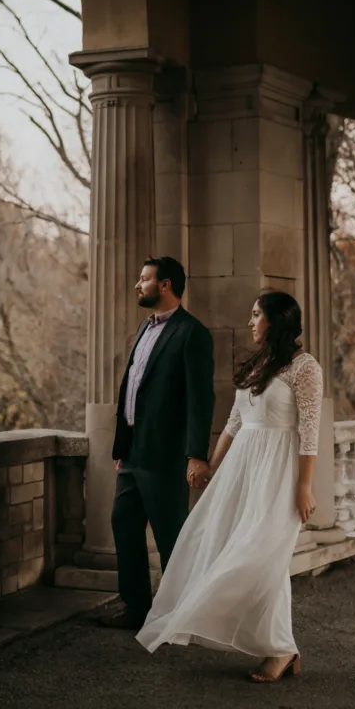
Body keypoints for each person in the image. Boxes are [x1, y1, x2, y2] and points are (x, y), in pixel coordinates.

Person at [136, 290, 323, 683]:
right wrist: (210, 466)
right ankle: (282, 648)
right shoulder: (257, 365)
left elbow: (309, 433)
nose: (251, 321)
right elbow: (235, 424)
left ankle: (278, 646)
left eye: (257, 315)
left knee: (261, 558)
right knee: (214, 542)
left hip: (280, 472)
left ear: (277, 320)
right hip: (243, 470)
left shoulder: (305, 368)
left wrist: (304, 486)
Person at [99, 257, 215, 630]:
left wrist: (196, 455)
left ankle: (180, 612)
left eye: (144, 278)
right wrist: (121, 448)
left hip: (165, 456)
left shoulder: (192, 333)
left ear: (164, 285)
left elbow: (201, 399)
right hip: (133, 453)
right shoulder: (143, 328)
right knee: (124, 525)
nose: (138, 284)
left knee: (171, 538)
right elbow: (131, 390)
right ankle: (136, 608)